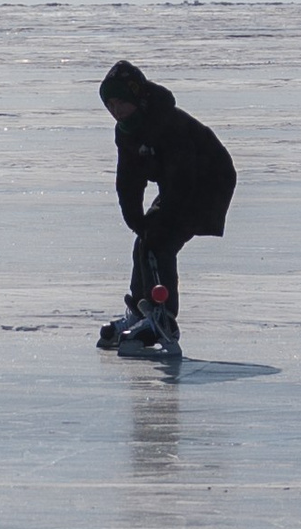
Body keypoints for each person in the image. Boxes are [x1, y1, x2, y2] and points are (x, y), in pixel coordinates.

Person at [97, 59, 236, 352]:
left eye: (121, 102)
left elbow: (182, 176)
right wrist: (136, 219)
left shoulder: (167, 123)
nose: (115, 110)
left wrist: (161, 221)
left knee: (159, 243)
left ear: (136, 97)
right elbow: (129, 179)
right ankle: (140, 310)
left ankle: (163, 319)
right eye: (110, 104)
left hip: (208, 181)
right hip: (179, 185)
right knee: (144, 241)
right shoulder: (126, 131)